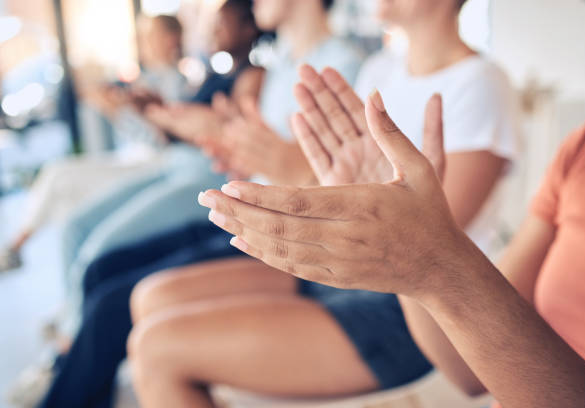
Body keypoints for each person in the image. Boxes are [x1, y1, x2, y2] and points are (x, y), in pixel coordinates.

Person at [126, 0, 520, 407]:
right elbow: (347, 190)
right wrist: (278, 166)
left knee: (158, 349)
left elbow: (429, 241)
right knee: (150, 298)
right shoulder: (379, 70)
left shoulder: (482, 82)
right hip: (343, 269)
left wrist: (295, 170)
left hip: (418, 313)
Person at [33, 1, 364, 408]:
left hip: (277, 229)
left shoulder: (342, 65)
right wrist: (231, 144)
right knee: (103, 269)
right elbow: (281, 160)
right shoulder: (284, 64)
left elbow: (327, 182)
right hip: (247, 209)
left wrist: (241, 145)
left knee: (110, 305)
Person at [0, 14, 188, 273]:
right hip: (136, 157)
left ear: (170, 39)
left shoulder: (178, 83)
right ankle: (45, 264)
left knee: (62, 182)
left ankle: (19, 247)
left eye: (150, 35)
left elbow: (163, 141)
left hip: (152, 164)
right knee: (61, 181)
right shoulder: (151, 79)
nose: (143, 41)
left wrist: (116, 112)